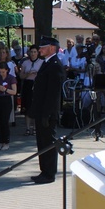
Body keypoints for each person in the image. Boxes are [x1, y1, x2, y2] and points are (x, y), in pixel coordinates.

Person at [28, 37, 65, 184]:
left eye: (43, 47)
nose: (40, 49)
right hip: (41, 110)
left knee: (48, 142)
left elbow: (53, 94)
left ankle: (49, 173)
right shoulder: (47, 63)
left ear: (52, 48)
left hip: (48, 111)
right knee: (42, 142)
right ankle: (44, 170)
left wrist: (48, 113)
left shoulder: (55, 65)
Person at [0, 62, 17, 151]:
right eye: (0, 72)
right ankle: (1, 141)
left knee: (5, 121)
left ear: (7, 70)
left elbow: (14, 92)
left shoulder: (11, 78)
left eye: (3, 72)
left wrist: (5, 89)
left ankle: (6, 142)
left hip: (6, 99)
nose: (1, 73)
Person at [19, 47, 42, 136]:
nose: (33, 54)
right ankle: (28, 128)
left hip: (37, 84)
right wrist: (28, 74)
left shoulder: (41, 62)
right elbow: (21, 76)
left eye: (34, 52)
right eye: (31, 52)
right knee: (27, 106)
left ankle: (36, 127)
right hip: (27, 84)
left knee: (36, 105)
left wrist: (37, 74)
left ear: (37, 53)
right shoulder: (25, 63)